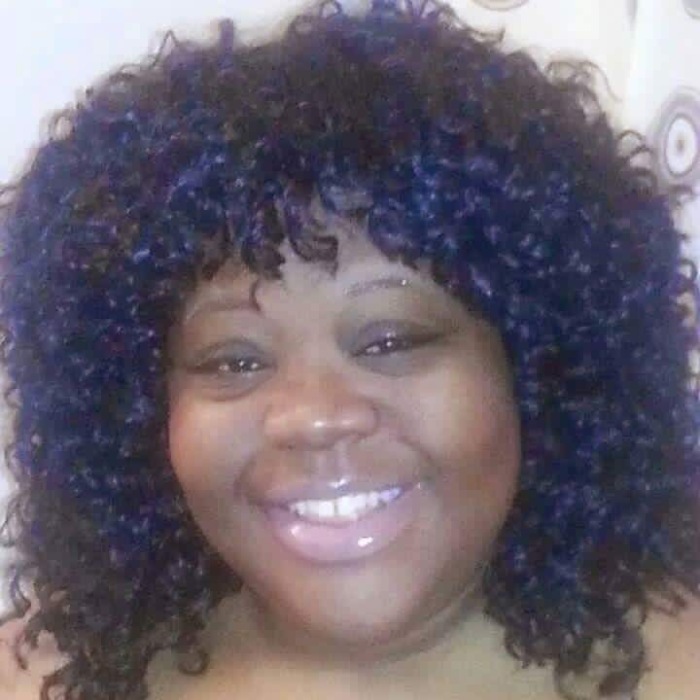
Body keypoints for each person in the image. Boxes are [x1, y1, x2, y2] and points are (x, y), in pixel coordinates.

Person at [1, 1, 700, 698]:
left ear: (541, 373)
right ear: (141, 414)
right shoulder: (43, 680)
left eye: (391, 340)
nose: (313, 416)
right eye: (234, 362)